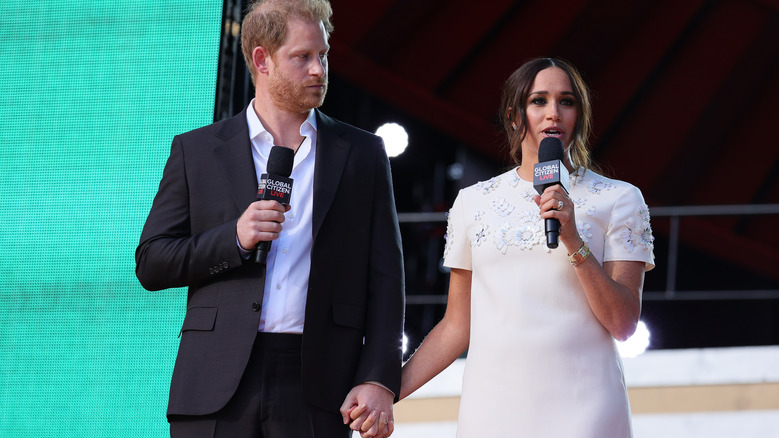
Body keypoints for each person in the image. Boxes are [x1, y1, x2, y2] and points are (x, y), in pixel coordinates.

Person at [135, 1, 404, 437]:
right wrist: (235, 239)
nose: (319, 69)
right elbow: (151, 261)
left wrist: (378, 378)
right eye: (303, 57)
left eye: (324, 54)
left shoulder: (361, 153)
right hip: (215, 382)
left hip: (320, 383)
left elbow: (387, 278)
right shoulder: (197, 151)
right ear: (262, 59)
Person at [395, 57, 655, 437]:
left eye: (566, 101)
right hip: (494, 408)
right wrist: (386, 391)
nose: (554, 113)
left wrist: (573, 240)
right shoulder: (474, 202)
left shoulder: (619, 199)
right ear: (515, 116)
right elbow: (456, 325)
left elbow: (623, 323)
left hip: (586, 406)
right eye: (539, 101)